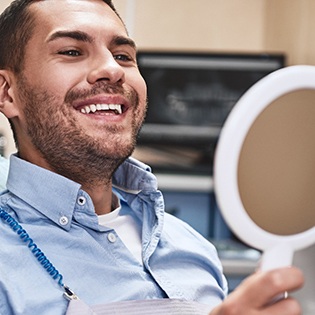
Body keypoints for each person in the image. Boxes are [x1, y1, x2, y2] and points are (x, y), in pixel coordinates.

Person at [0, 0, 304, 314]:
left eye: (123, 56)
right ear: (7, 92)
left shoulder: (192, 245)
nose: (113, 69)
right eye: (72, 52)